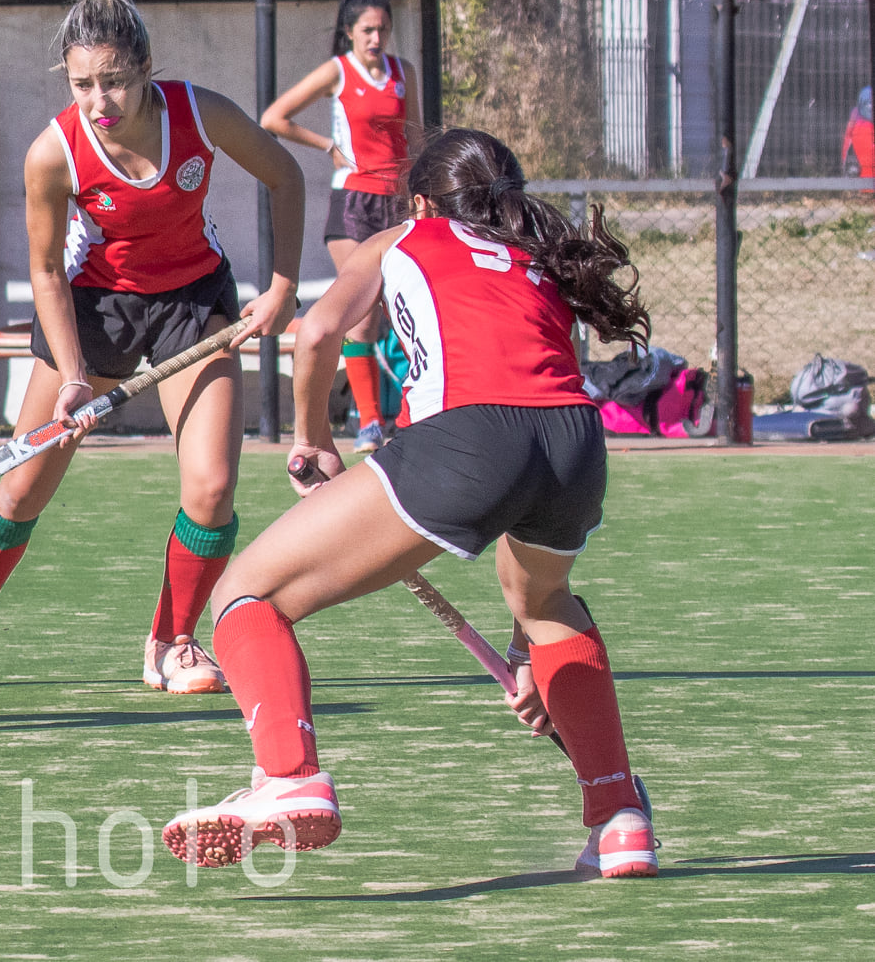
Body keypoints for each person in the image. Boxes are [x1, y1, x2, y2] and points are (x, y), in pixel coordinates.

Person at [162, 128, 658, 880]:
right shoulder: (536, 251)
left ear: (424, 200)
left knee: (244, 596)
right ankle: (619, 816)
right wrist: (529, 657)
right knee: (545, 601)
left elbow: (319, 328)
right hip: (576, 442)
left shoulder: (409, 232)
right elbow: (527, 410)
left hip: (469, 439)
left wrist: (313, 437)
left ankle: (290, 776)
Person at [0, 0, 304, 695]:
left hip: (192, 303)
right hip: (93, 304)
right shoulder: (54, 153)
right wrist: (75, 373)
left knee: (210, 488)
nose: (99, 101)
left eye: (114, 82)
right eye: (83, 84)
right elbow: (46, 270)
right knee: (21, 486)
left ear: (145, 70)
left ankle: (172, 642)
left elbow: (284, 175)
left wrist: (282, 287)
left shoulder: (198, 114)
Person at [261, 0, 422, 453]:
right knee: (363, 317)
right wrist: (328, 146)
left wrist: (422, 192)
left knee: (406, 307)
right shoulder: (339, 71)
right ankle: (369, 423)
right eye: (368, 30)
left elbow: (416, 135)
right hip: (353, 204)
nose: (376, 38)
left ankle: (417, 415)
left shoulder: (402, 72)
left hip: (396, 203)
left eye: (383, 29)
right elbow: (275, 117)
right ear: (350, 32)